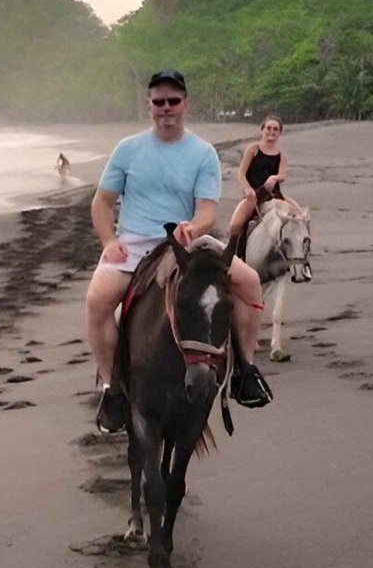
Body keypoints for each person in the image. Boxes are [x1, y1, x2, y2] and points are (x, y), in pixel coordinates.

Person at [84, 69, 272, 431]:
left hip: (186, 242)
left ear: (185, 103)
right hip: (134, 243)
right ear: (149, 105)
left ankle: (246, 371)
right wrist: (109, 241)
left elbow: (207, 211)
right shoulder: (127, 149)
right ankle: (111, 387)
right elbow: (102, 202)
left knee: (249, 282)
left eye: (173, 101)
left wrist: (194, 228)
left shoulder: (202, 153)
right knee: (97, 301)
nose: (166, 108)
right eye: (159, 102)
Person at [226, 113, 304, 240]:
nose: (271, 131)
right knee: (234, 226)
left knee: (301, 216)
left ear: (280, 133)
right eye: (268, 128)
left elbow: (282, 175)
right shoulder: (253, 149)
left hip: (274, 195)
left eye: (275, 129)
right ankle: (232, 249)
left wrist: (274, 178)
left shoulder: (281, 156)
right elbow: (241, 173)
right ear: (262, 130)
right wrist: (247, 189)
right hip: (254, 196)